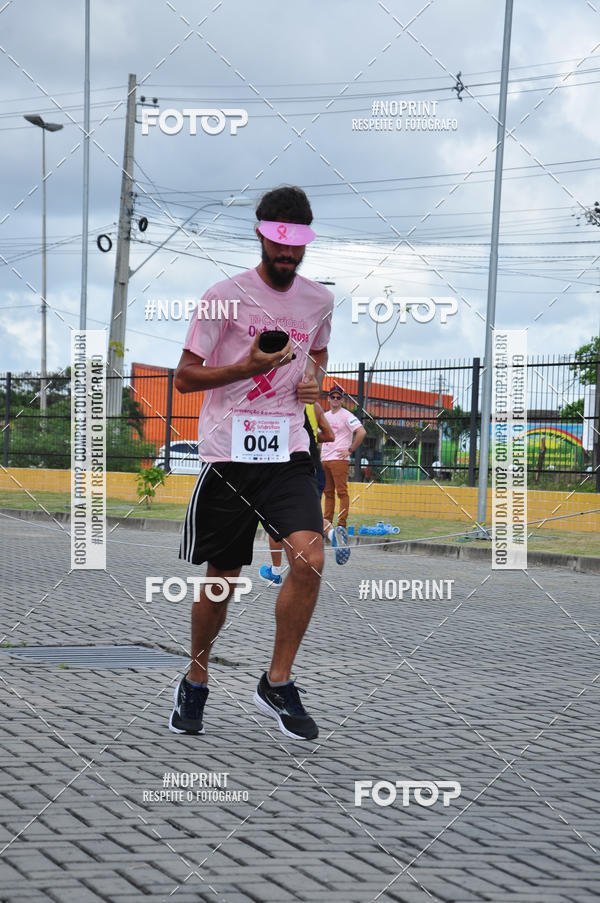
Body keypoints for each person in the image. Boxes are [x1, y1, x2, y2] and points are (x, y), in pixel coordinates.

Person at [171, 186, 333, 741]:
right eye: (277, 242)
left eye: (296, 244)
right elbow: (184, 377)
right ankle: (196, 678)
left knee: (310, 557)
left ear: (306, 243)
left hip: (288, 450)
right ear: (261, 235)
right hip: (229, 454)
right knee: (223, 580)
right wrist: (244, 367)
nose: (286, 253)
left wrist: (313, 381)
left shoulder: (319, 301)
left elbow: (317, 352)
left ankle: (277, 681)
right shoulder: (224, 297)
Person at [260, 401, 334, 585]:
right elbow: (330, 435)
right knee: (307, 519)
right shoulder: (315, 406)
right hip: (315, 467)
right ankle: (329, 533)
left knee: (276, 519)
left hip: (289, 465)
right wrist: (311, 437)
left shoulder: (279, 401)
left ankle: (276, 571)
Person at [321, 386, 367, 564]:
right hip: (325, 458)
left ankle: (341, 525)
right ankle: (327, 523)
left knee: (342, 492)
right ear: (328, 398)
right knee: (328, 493)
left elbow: (361, 432)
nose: (335, 399)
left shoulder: (347, 415)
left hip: (339, 459)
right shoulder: (324, 415)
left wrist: (350, 449)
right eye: (332, 397)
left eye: (338, 397)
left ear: (342, 399)